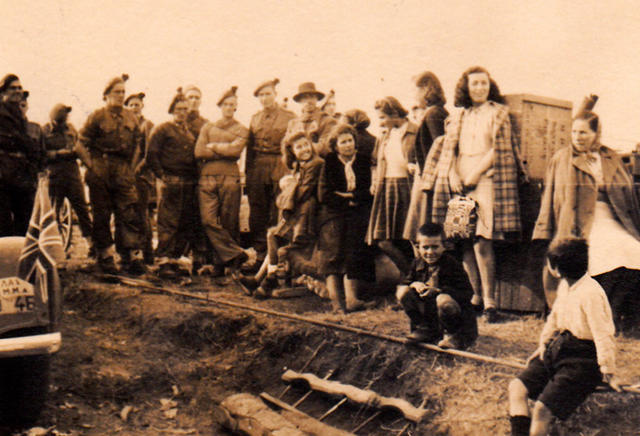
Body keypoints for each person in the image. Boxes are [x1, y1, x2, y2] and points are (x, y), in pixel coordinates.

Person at [420, 66, 521, 321]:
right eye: (474, 83)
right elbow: (449, 150)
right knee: (464, 239)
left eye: (484, 83)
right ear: (466, 87)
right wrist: (453, 174)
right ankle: (474, 297)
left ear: (490, 85)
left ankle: (490, 302)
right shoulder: (457, 116)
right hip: (459, 178)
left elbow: (499, 148)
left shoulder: (498, 113)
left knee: (482, 240)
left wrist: (475, 173)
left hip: (485, 177)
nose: (479, 88)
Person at [533, 95, 640, 331]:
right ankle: (601, 315)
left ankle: (611, 310)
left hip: (612, 217)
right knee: (605, 250)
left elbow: (627, 194)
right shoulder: (562, 159)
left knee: (633, 251)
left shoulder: (610, 157)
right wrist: (544, 231)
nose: (578, 138)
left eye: (584, 133)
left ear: (596, 134)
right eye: (574, 132)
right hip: (580, 222)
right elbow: (550, 197)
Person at [508, 238, 621, 436]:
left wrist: (608, 371)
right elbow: (554, 320)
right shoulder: (564, 287)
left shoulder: (591, 293)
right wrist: (542, 346)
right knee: (516, 387)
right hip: (558, 349)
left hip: (582, 360)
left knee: (542, 410)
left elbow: (603, 335)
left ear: (556, 269)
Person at [74, 74, 146, 275]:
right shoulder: (96, 116)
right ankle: (105, 256)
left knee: (128, 212)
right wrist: (92, 167)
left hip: (123, 169)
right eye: (117, 92)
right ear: (106, 95)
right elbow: (80, 145)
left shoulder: (131, 117)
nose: (121, 96)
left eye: (123, 92)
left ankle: (130, 257)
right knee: (102, 213)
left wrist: (131, 169)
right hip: (101, 168)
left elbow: (138, 147)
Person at [244, 131, 324, 298]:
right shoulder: (301, 166)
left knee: (274, 236)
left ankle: (267, 279)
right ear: (292, 151)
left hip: (308, 212)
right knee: (272, 235)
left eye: (306, 145)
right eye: (299, 147)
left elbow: (304, 191)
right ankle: (263, 278)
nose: (304, 149)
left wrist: (288, 191)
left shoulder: (315, 164)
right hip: (301, 210)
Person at [316, 124, 375, 312]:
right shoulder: (330, 162)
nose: (348, 145)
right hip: (333, 213)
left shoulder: (364, 161)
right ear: (335, 145)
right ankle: (335, 303)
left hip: (356, 213)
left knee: (353, 251)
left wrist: (349, 196)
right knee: (332, 255)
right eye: (343, 142)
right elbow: (324, 194)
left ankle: (352, 299)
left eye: (350, 140)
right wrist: (350, 199)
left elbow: (369, 192)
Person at [195, 86, 252, 276]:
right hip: (208, 177)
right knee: (208, 220)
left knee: (229, 220)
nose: (229, 107)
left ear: (236, 107)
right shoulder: (208, 127)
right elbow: (199, 151)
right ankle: (235, 254)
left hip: (230, 176)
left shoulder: (242, 129)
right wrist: (224, 148)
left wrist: (214, 146)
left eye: (232, 105)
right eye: (226, 104)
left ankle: (224, 265)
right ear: (220, 106)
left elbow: (235, 151)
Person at [396, 223, 478, 349]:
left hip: (455, 318)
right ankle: (424, 329)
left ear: (444, 246)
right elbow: (405, 283)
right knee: (403, 291)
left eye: (435, 247)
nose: (430, 252)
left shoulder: (452, 264)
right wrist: (414, 284)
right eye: (425, 247)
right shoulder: (417, 263)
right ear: (418, 247)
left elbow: (467, 293)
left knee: (443, 300)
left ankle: (452, 335)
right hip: (430, 317)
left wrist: (439, 291)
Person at [146, 89, 201, 278]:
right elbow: (151, 155)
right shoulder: (163, 129)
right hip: (171, 182)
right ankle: (163, 262)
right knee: (168, 222)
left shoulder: (190, 133)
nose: (182, 112)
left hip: (188, 183)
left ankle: (175, 260)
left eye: (185, 109)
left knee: (184, 222)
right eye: (178, 109)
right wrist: (162, 176)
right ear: (172, 110)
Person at [365, 96, 419, 276]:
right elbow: (375, 161)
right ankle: (410, 275)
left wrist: (415, 166)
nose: (379, 123)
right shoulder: (385, 135)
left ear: (394, 113)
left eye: (382, 117)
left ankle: (421, 280)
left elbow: (424, 158)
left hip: (408, 188)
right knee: (382, 240)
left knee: (412, 238)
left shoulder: (415, 131)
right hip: (386, 188)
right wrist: (374, 180)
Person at [246, 78, 295, 255]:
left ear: (275, 95)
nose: (265, 98)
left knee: (278, 207)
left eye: (268, 94)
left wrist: (291, 170)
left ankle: (277, 252)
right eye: (261, 95)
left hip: (280, 164)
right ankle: (260, 251)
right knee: (257, 208)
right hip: (259, 166)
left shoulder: (289, 117)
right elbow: (250, 148)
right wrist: (248, 173)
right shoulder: (255, 118)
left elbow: (293, 145)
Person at [403, 71, 449, 242]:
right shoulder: (434, 112)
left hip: (429, 181)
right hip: (426, 179)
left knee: (424, 233)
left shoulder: (434, 114)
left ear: (425, 89)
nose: (414, 96)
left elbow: (441, 147)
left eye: (415, 90)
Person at [42, 103, 93, 242]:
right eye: (63, 115)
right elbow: (41, 154)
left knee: (82, 209)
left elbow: (79, 147)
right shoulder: (45, 131)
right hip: (54, 175)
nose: (66, 118)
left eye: (66, 115)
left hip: (72, 174)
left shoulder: (71, 129)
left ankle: (91, 244)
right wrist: (57, 154)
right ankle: (55, 244)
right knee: (53, 212)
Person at [0, 74, 41, 236]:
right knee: (3, 225)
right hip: (3, 176)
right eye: (13, 88)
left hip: (22, 177)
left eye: (19, 88)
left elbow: (30, 147)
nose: (17, 91)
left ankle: (19, 260)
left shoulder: (21, 117)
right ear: (2, 92)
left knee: (25, 223)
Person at [125, 92, 155, 264]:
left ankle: (148, 253)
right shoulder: (126, 125)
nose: (134, 107)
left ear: (142, 106)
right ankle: (130, 254)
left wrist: (136, 170)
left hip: (141, 176)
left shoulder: (147, 125)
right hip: (126, 177)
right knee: (128, 215)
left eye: (137, 104)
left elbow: (149, 153)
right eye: (131, 105)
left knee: (142, 215)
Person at [285, 82, 337, 157]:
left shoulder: (327, 121)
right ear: (300, 101)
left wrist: (299, 150)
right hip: (298, 165)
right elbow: (287, 146)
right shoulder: (293, 123)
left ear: (316, 99)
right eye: (305, 98)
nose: (308, 101)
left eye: (312, 97)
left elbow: (324, 147)